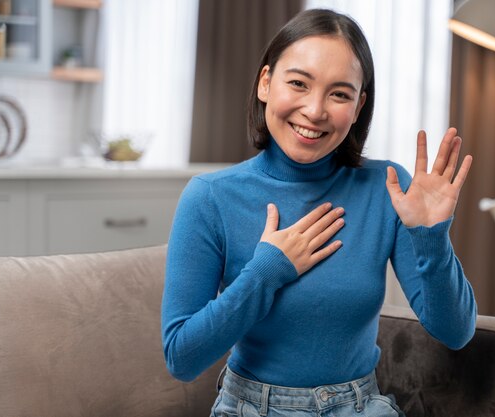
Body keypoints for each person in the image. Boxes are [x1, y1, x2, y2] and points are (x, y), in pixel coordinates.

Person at [161, 8, 476, 417]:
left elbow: (455, 332)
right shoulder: (210, 198)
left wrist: (432, 237)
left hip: (358, 408)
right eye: (298, 83)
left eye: (339, 93)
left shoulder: (389, 188)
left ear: (359, 105)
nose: (315, 110)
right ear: (265, 83)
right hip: (251, 409)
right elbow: (181, 359)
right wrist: (266, 273)